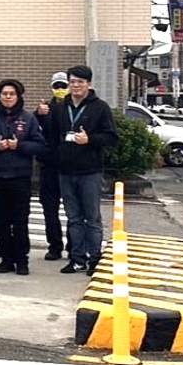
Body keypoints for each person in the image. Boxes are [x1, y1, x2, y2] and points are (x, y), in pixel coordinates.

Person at [52, 65, 118, 276]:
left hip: (90, 171)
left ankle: (94, 258)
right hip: (66, 171)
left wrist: (90, 140)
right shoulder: (61, 108)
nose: (75, 86)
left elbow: (111, 137)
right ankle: (77, 258)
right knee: (73, 218)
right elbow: (52, 136)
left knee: (92, 217)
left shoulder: (100, 107)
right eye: (72, 82)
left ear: (89, 84)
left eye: (80, 82)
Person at [0, 79, 46, 275]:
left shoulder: (28, 118)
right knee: (0, 221)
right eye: (4, 94)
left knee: (19, 221)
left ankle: (22, 260)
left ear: (18, 97)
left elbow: (39, 145)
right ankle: (6, 259)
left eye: (12, 94)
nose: (8, 97)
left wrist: (20, 146)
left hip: (19, 177)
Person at [34, 71, 70, 261]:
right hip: (48, 166)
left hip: (70, 167)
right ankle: (54, 246)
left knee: (73, 209)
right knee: (49, 208)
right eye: (57, 86)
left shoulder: (74, 108)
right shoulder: (45, 109)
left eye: (63, 86)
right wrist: (39, 115)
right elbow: (35, 132)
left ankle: (74, 246)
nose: (60, 89)